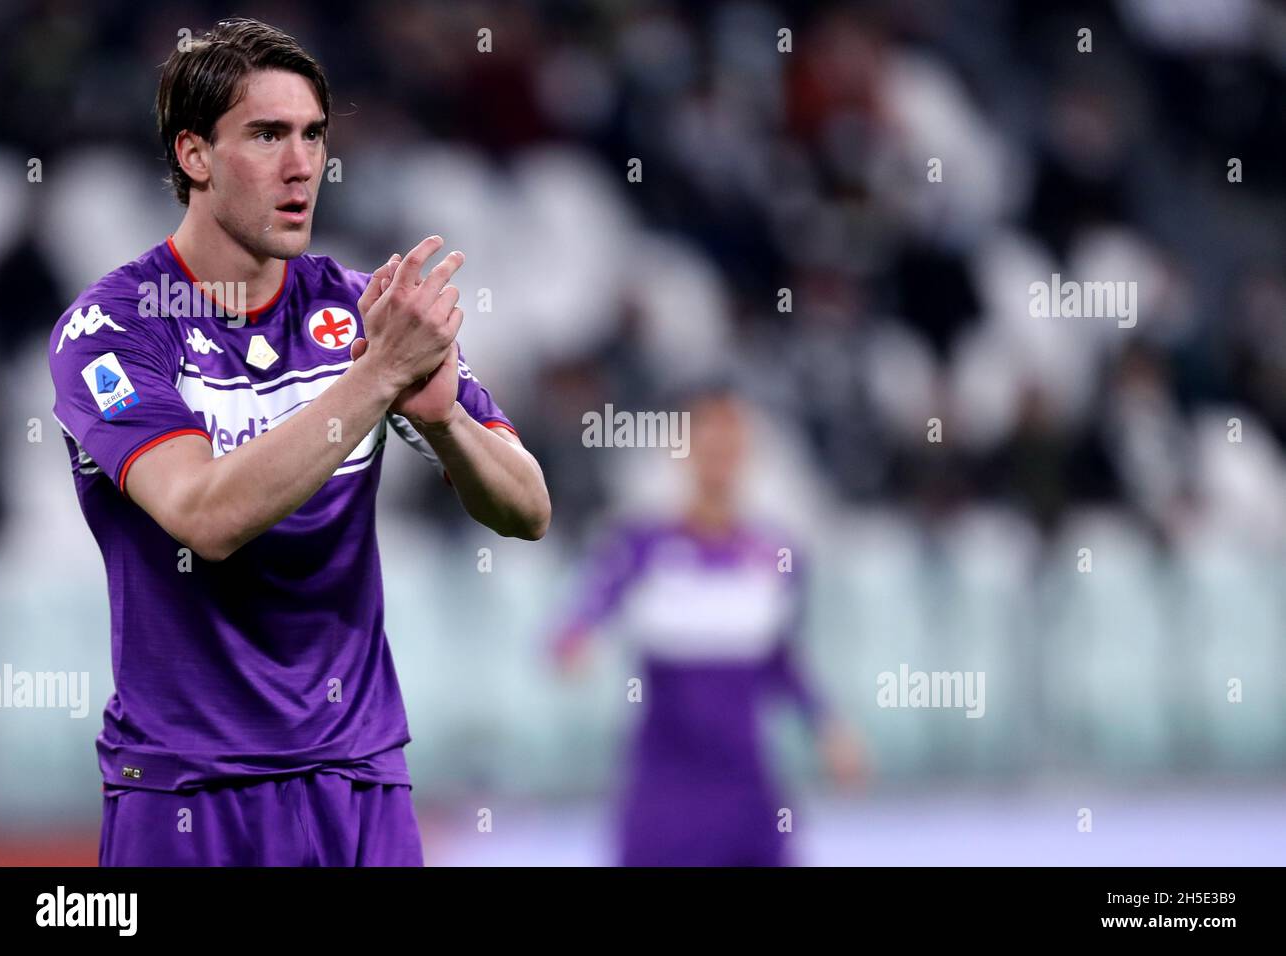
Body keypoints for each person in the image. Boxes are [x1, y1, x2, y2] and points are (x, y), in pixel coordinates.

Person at [47, 18, 550, 866]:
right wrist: (376, 380)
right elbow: (206, 516)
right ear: (195, 156)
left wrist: (444, 421)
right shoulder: (114, 329)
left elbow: (527, 508)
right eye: (267, 135)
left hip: (359, 784)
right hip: (187, 795)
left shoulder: (360, 313)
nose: (301, 165)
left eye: (313, 135)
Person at [552, 386, 865, 866]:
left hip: (747, 787)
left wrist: (826, 726)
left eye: (730, 443)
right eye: (706, 442)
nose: (719, 456)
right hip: (665, 789)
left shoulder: (775, 555)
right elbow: (584, 613)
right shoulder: (641, 545)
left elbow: (781, 660)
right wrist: (574, 643)